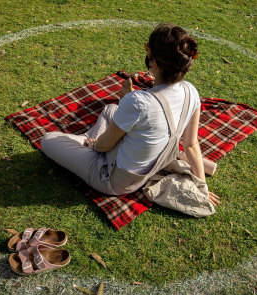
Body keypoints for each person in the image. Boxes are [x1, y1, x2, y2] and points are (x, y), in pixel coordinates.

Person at [41, 23, 220, 206]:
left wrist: (95, 144)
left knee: (48, 139)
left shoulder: (138, 101)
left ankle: (85, 140)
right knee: (111, 109)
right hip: (153, 162)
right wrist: (201, 187)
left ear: (155, 61)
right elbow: (191, 145)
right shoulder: (191, 91)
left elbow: (104, 146)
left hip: (115, 180)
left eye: (148, 49)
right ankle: (87, 141)